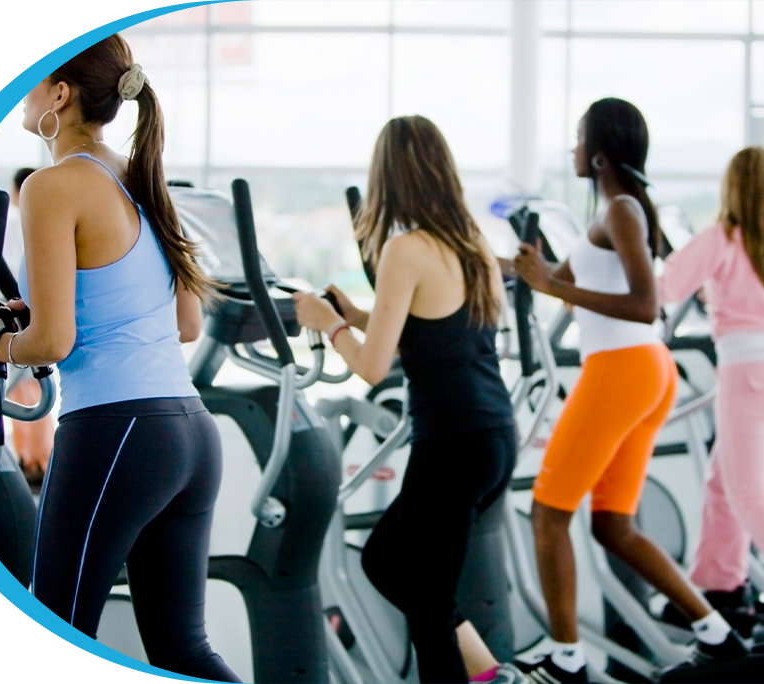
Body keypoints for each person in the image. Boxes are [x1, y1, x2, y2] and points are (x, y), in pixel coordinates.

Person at [0, 20, 240, 683]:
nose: (21, 92)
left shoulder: (52, 186)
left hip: (116, 431)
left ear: (61, 93)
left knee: (59, 642)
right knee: (184, 650)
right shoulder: (141, 176)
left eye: (30, 79)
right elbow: (185, 322)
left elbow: (51, 342)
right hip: (187, 432)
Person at [512, 97, 749, 683]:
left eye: (575, 141)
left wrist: (551, 285)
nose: (568, 151)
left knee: (548, 513)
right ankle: (717, 635)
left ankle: (566, 659)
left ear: (595, 154)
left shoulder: (619, 210)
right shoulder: (613, 213)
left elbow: (646, 305)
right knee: (611, 524)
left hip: (622, 368)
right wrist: (475, 259)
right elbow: (552, 280)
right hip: (643, 372)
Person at [293, 115, 527, 684]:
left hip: (451, 445)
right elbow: (430, 327)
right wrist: (356, 315)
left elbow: (373, 367)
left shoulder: (404, 248)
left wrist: (328, 326)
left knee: (425, 606)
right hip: (493, 435)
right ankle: (490, 676)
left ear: (388, 177)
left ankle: (487, 677)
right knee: (388, 563)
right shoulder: (471, 243)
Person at [658, 146, 764, 627]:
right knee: (723, 481)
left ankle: (720, 585)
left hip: (746, 373)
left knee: (746, 490)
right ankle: (719, 586)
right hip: (749, 370)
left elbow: (664, 287)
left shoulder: (724, 237)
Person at [4, 166, 55, 486]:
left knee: (26, 392)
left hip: (20, 319)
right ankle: (35, 458)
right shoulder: (38, 226)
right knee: (29, 390)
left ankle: (35, 459)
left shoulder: (21, 226)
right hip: (25, 315)